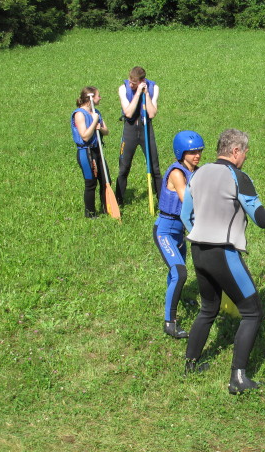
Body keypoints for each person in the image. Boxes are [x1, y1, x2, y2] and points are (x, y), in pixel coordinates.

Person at [180, 128, 265, 394]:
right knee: (252, 312)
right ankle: (238, 378)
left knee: (208, 308)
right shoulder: (238, 177)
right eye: (244, 152)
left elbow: (186, 216)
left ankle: (191, 364)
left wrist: (202, 234)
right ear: (235, 151)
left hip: (198, 250)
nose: (245, 157)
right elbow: (262, 220)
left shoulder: (198, 173)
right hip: (224, 253)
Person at [153, 130, 205, 339]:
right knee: (180, 272)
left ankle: (177, 297)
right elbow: (187, 201)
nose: (197, 155)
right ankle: (169, 322)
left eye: (199, 151)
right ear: (181, 152)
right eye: (192, 152)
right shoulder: (177, 173)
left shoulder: (196, 170)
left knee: (176, 273)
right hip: (165, 230)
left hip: (179, 232)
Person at [116, 66, 162, 206]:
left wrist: (146, 94)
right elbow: (128, 113)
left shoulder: (154, 88)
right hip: (130, 129)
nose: (131, 84)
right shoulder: (123, 89)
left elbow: (152, 113)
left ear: (142, 81)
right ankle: (118, 201)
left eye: (134, 83)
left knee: (155, 168)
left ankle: (162, 202)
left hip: (146, 129)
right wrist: (137, 94)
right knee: (124, 167)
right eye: (130, 81)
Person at [71, 86, 110, 218]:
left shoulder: (96, 111)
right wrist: (94, 122)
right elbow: (85, 136)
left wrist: (100, 127)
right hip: (86, 153)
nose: (100, 98)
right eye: (98, 95)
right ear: (91, 98)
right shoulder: (79, 114)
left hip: (98, 150)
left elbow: (106, 131)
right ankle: (90, 213)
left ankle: (107, 209)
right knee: (91, 183)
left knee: (106, 180)